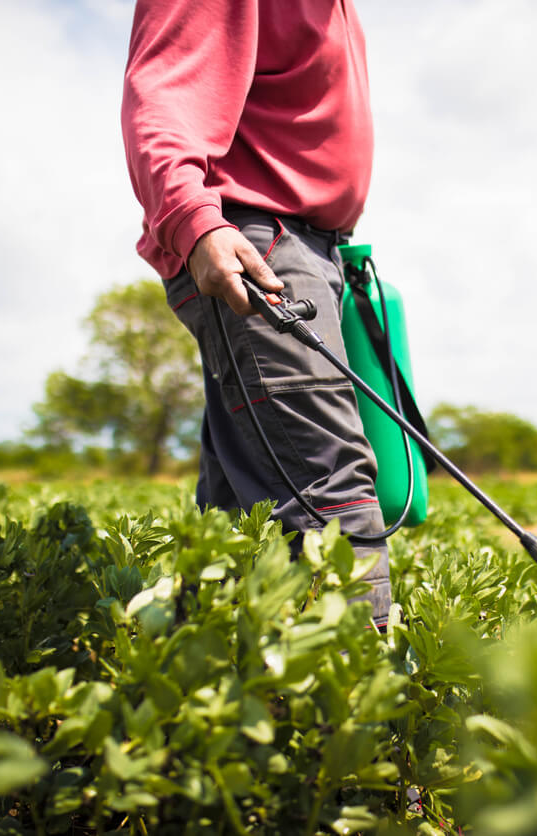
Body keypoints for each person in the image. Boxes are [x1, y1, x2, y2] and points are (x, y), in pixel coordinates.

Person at [121, 1, 391, 627]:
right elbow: (160, 97)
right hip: (255, 243)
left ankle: (204, 690)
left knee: (239, 518)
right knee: (332, 491)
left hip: (309, 247)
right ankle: (363, 712)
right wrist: (194, 222)